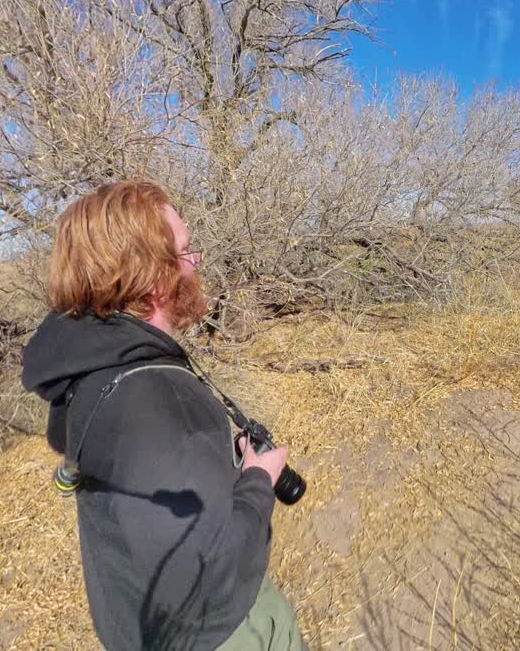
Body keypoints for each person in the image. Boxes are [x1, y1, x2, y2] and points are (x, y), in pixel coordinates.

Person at [21, 180, 306, 650]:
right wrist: (258, 480)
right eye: (186, 251)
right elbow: (206, 572)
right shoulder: (151, 400)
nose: (195, 262)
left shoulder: (88, 369)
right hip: (220, 634)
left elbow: (150, 513)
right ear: (154, 279)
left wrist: (216, 464)